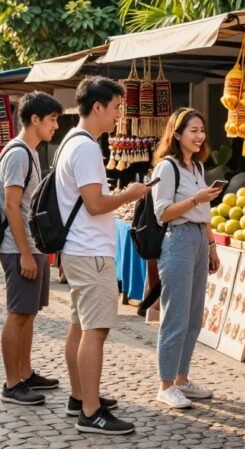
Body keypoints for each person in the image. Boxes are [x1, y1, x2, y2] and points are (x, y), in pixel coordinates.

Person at [56, 77, 150, 435]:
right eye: (115, 108)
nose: (118, 115)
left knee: (80, 326)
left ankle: (80, 397)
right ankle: (91, 413)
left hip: (79, 248)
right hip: (90, 249)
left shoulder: (72, 142)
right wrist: (131, 194)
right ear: (97, 107)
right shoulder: (87, 148)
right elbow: (95, 204)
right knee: (95, 330)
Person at [151, 108, 223, 409]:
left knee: (194, 317)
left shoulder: (197, 167)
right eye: (193, 130)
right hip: (177, 239)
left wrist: (212, 245)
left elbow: (203, 215)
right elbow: (162, 213)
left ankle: (182, 378)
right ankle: (165, 384)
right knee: (175, 317)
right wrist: (195, 199)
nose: (199, 136)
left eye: (202, 130)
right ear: (177, 133)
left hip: (198, 240)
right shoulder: (167, 167)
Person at [0, 92, 64, 406]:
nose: (56, 125)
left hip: (31, 245)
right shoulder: (19, 154)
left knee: (28, 314)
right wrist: (25, 252)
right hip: (18, 247)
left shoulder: (30, 152)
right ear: (34, 119)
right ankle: (12, 384)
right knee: (18, 313)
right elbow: (12, 206)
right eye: (52, 119)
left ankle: (24, 372)